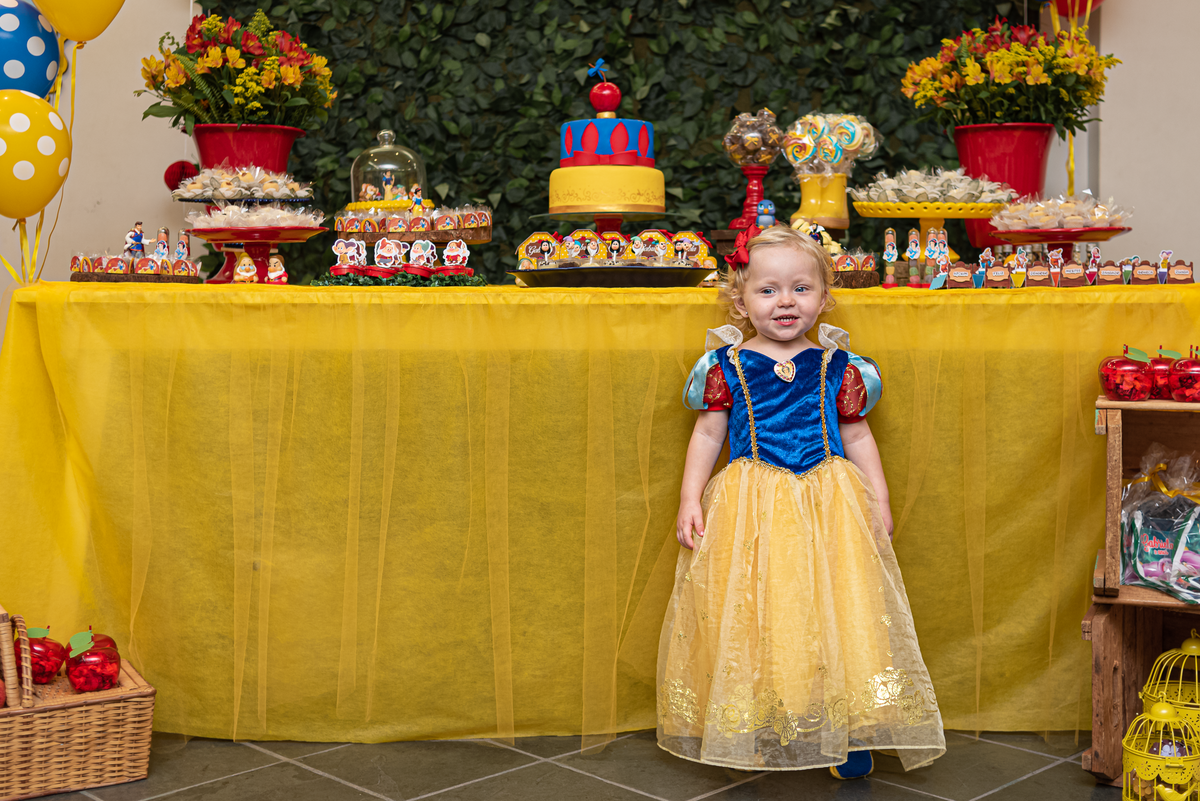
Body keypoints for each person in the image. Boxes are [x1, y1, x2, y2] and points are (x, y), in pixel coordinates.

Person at [657, 225, 944, 779]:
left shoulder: (841, 367)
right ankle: (754, 725)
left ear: (824, 295)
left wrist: (877, 499)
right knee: (756, 610)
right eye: (767, 291)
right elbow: (708, 436)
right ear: (740, 301)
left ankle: (849, 726)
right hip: (753, 506)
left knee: (840, 609)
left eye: (800, 289)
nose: (785, 302)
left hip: (828, 504)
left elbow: (858, 436)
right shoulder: (727, 365)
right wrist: (691, 497)